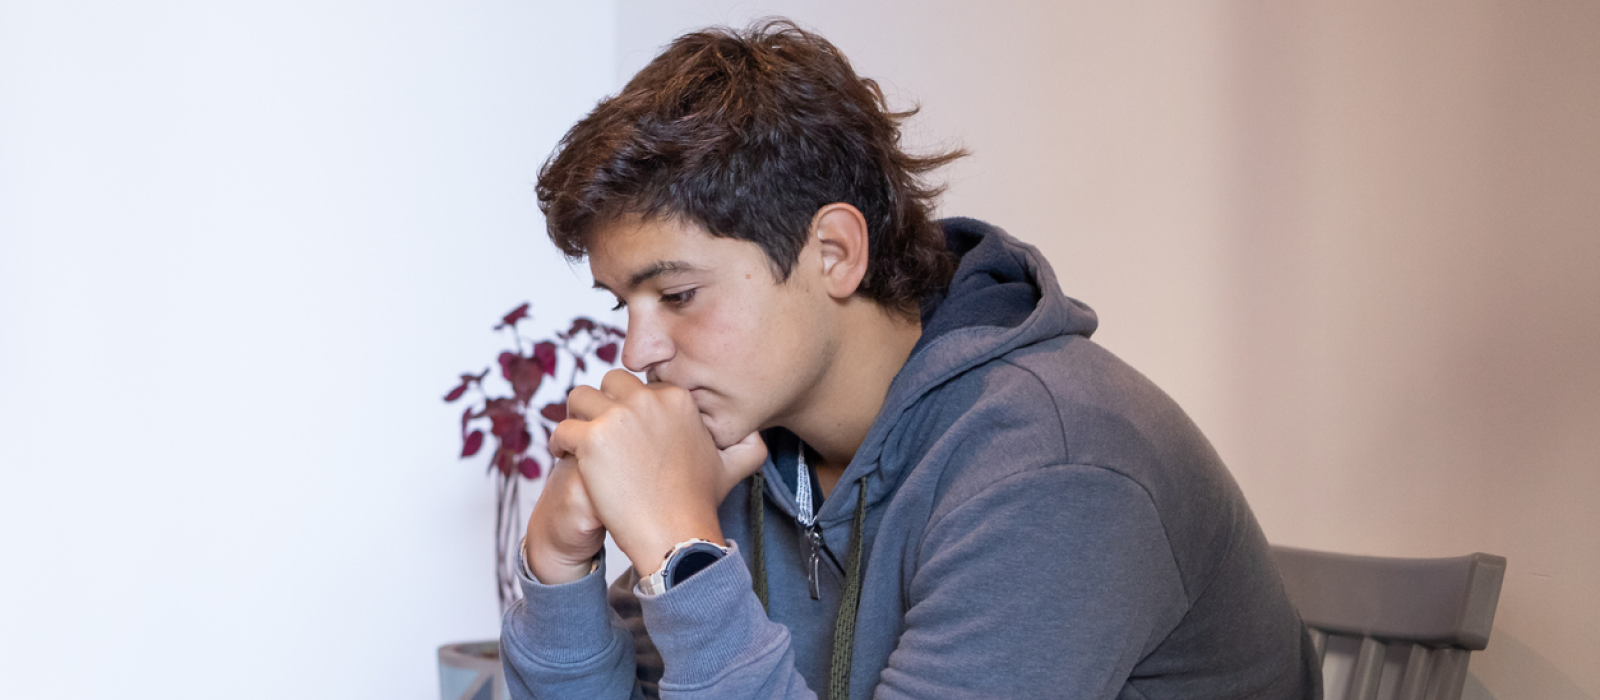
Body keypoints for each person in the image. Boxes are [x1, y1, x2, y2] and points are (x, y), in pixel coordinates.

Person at [500, 19, 1322, 700]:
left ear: (833, 252)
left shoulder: (1057, 464)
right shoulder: (745, 447)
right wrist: (559, 565)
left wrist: (683, 553)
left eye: (676, 295)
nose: (636, 352)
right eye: (623, 306)